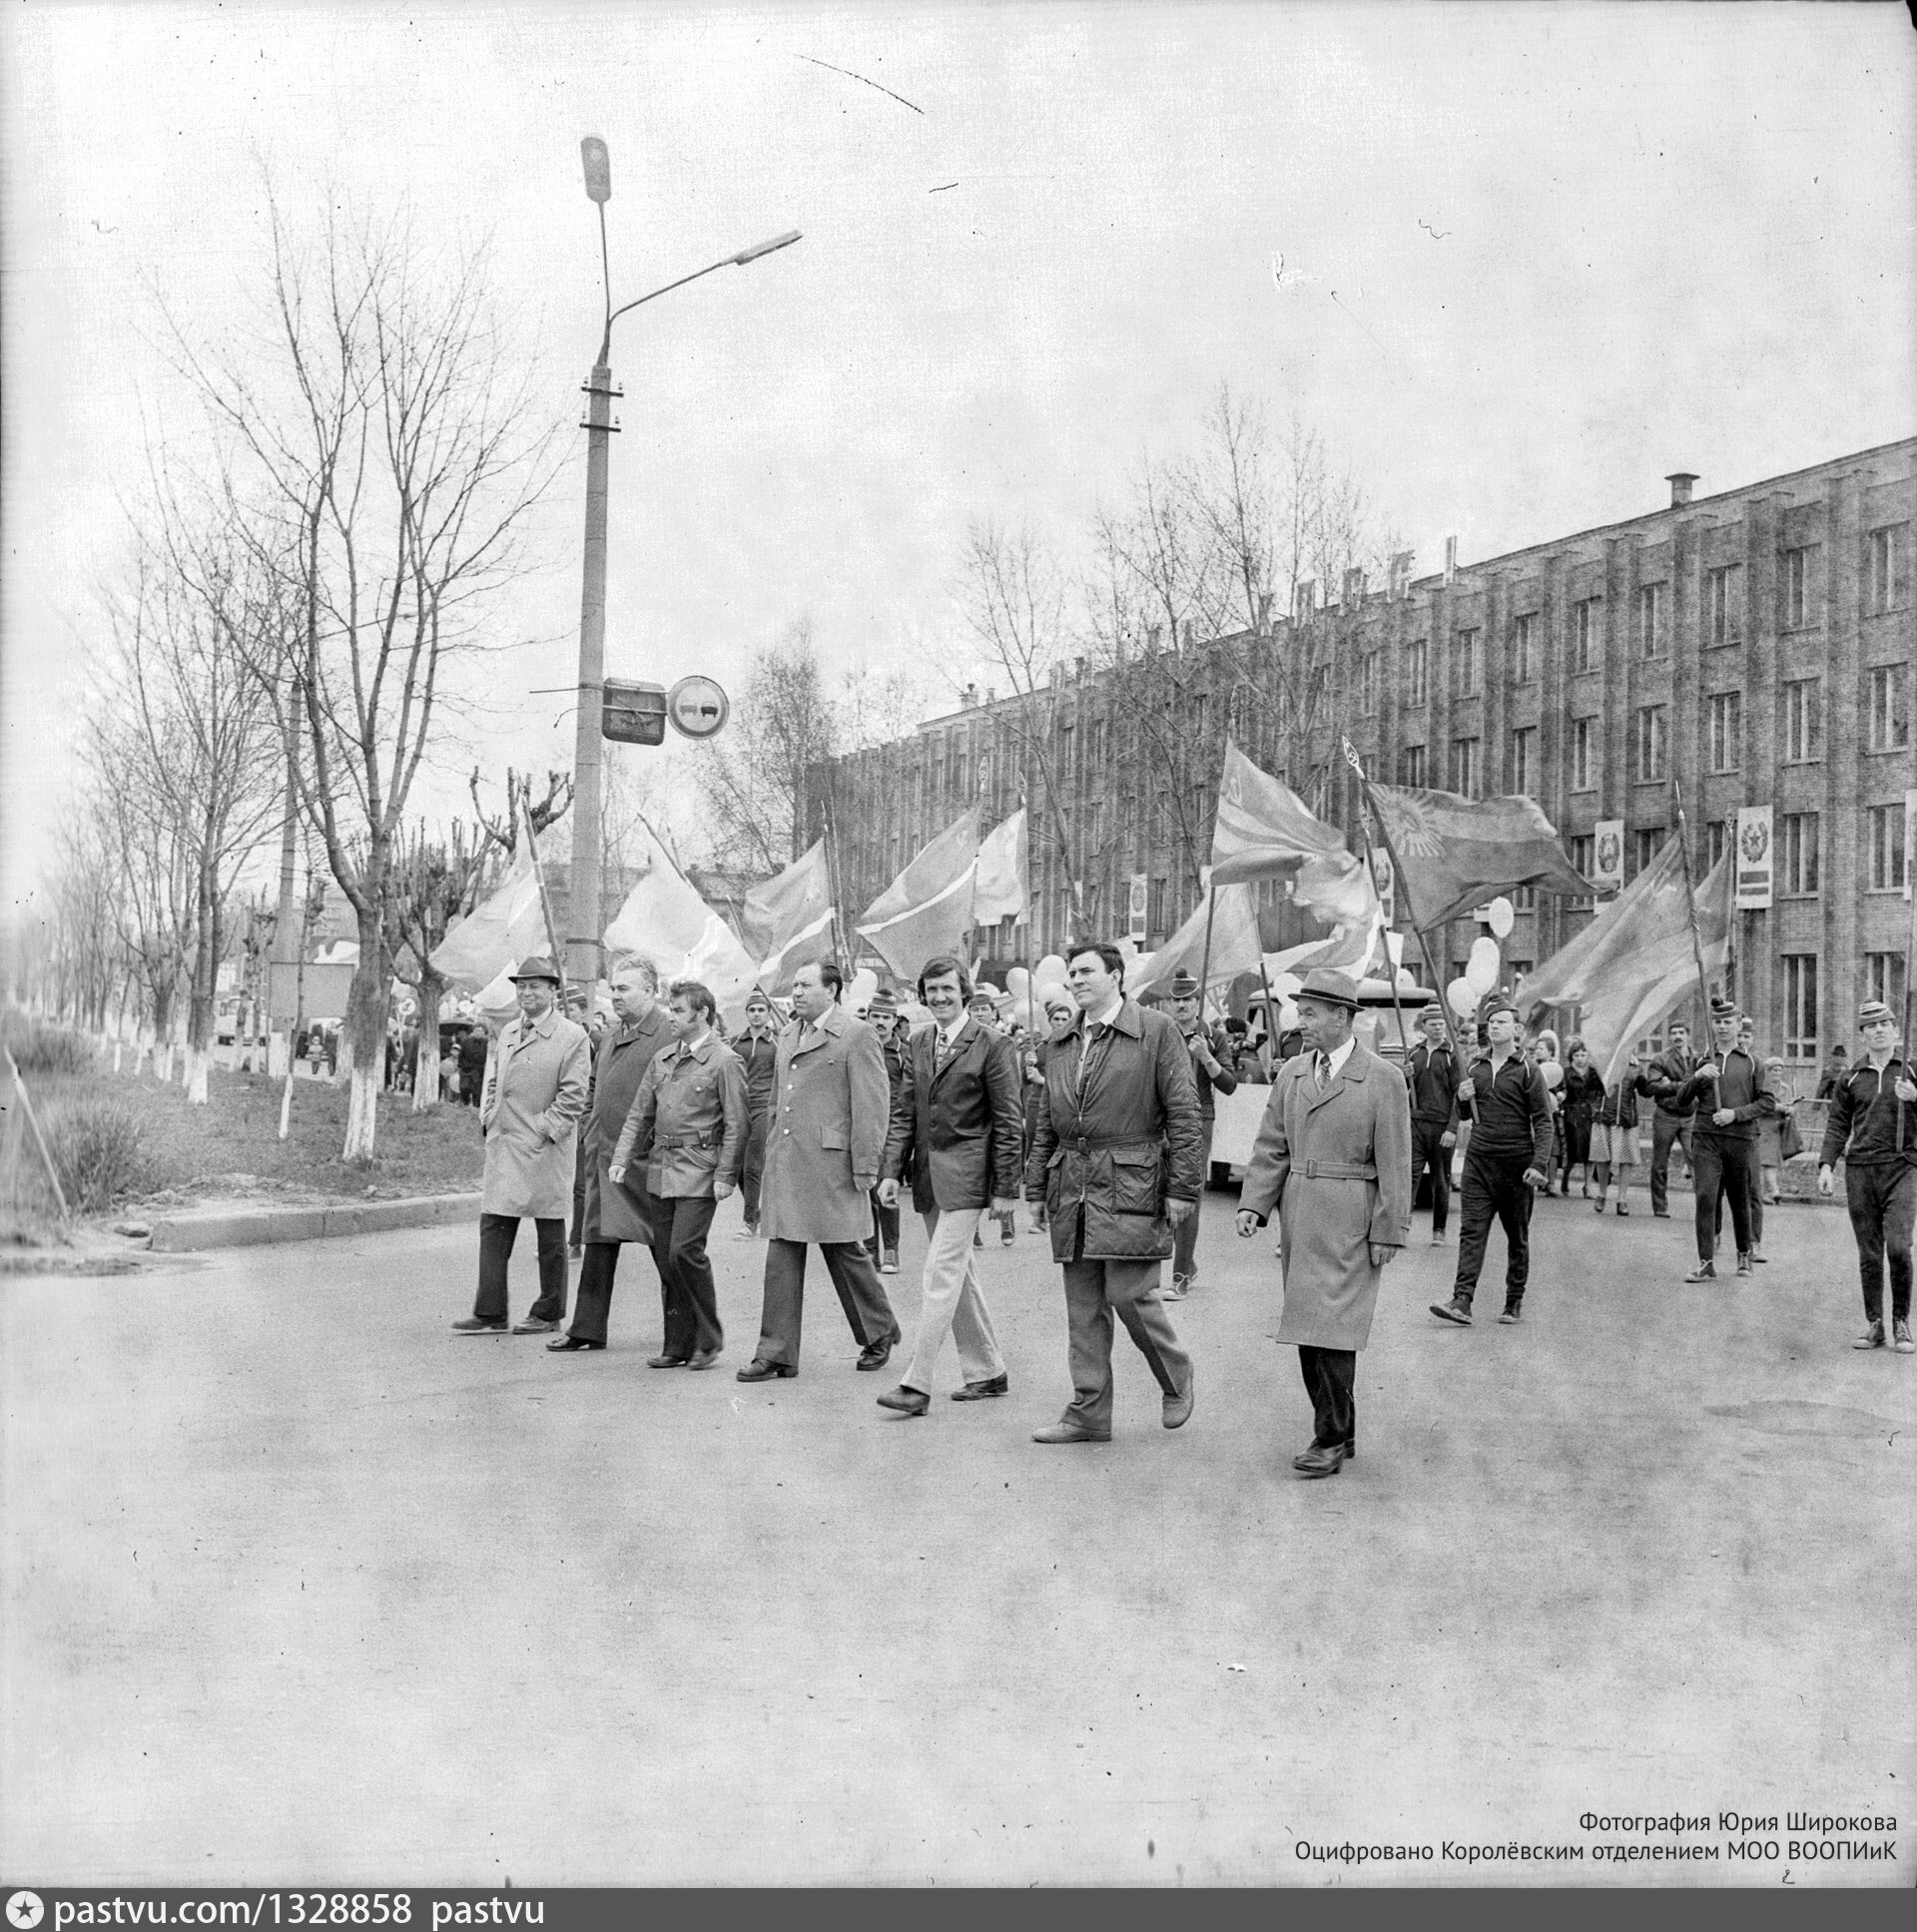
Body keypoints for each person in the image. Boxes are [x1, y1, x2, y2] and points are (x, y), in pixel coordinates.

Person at [1235, 966, 1412, 1477]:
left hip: (1351, 1217)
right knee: (1308, 1326)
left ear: (1342, 1017)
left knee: (1333, 1328)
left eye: (1310, 1012)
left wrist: (1389, 1229)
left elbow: (1396, 1161)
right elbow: (1272, 1143)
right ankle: (1341, 1429)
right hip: (1300, 1214)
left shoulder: (1383, 1078)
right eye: (1301, 1011)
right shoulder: (1292, 1073)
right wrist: (1254, 1204)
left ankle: (1329, 1437)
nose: (1300, 1020)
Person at [1023, 940, 1200, 1444]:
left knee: (1129, 1293)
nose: (1076, 980)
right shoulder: (1059, 1043)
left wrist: (1182, 1186)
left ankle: (1176, 1375)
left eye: (1086, 972)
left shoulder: (1156, 1031)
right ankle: (1088, 1413)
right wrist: (1036, 1188)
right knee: (1082, 1307)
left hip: (1133, 1180)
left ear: (1117, 976)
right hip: (1072, 1185)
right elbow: (1046, 1125)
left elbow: (1184, 1116)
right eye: (1071, 974)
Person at [737, 959, 902, 1381]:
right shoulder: (788, 1033)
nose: (796, 992)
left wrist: (866, 1168)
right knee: (782, 1255)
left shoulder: (857, 1034)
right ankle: (775, 1353)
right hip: (789, 1164)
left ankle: (878, 1332)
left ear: (832, 991)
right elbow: (777, 1103)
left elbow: (872, 1106)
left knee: (845, 1251)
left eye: (806, 985)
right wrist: (771, 1151)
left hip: (834, 1166)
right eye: (794, 985)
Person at [873, 955, 1022, 1415]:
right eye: (931, 990)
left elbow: (1009, 1121)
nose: (939, 997)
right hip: (928, 1179)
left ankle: (916, 1384)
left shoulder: (994, 1044)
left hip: (970, 1179)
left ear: (965, 992)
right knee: (960, 1276)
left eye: (947, 989)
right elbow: (904, 1113)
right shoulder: (918, 1042)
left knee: (940, 1273)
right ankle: (987, 1371)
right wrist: (890, 1172)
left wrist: (1004, 1188)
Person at [609, 978, 750, 1370]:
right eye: (670, 1010)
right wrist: (622, 1156)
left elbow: (738, 1124)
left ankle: (709, 1339)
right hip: (661, 1169)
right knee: (667, 1261)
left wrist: (725, 1174)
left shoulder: (724, 1060)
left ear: (702, 1013)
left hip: (700, 1169)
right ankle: (677, 1344)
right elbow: (640, 1113)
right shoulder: (664, 1058)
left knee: (684, 1252)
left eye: (678, 1011)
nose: (671, 1017)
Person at [451, 958, 591, 1336]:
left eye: (535, 986)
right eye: (522, 987)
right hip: (504, 1142)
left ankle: (549, 1312)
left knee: (549, 1230)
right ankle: (490, 1311)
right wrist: (489, 1116)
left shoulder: (572, 1036)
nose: (527, 993)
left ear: (552, 992)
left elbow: (575, 1095)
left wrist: (545, 1130)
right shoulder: (509, 1031)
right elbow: (495, 1080)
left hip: (543, 1147)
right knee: (493, 1224)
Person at [548, 955, 672, 1354]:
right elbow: (594, 1087)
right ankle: (586, 1328)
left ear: (650, 991)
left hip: (645, 1160)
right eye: (612, 988)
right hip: (604, 1156)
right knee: (599, 1239)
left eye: (623, 988)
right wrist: (589, 1127)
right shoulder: (612, 1036)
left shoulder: (669, 1034)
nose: (614, 996)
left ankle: (688, 1333)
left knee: (665, 1247)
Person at [1430, 997, 1553, 1327]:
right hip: (1479, 1163)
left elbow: (1543, 1120)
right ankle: (1462, 1300)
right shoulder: (1475, 1067)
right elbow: (1466, 1115)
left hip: (1516, 1166)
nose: (1494, 1026)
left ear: (1517, 1029)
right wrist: (1462, 1098)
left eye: (1501, 1021)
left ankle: (1514, 1300)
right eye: (1491, 1022)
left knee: (1517, 1236)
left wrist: (1539, 1164)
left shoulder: (1529, 1070)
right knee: (1472, 1232)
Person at [1817, 999, 1917, 1352]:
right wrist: (1827, 1165)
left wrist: (1916, 1097)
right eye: (1871, 1026)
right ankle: (1875, 1324)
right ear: (1862, 1035)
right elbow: (1837, 1126)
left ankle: (1901, 1322)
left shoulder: (1911, 1070)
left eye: (1884, 1024)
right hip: (1860, 1170)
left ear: (1896, 1030)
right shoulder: (1850, 1077)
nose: (1878, 1030)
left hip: (1903, 1167)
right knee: (1870, 1252)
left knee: (1900, 1247)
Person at [1676, 998, 1774, 1283]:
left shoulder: (1753, 1063)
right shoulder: (1703, 1060)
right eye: (1717, 1022)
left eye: (1727, 1022)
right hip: (1706, 1137)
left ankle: (1744, 1253)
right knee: (1705, 1197)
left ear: (1738, 1025)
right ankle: (1706, 1262)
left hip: (1740, 1138)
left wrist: (1735, 1114)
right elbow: (1682, 1098)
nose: (1721, 1027)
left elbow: (1767, 1102)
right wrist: (1697, 1076)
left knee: (1739, 1199)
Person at [1163, 968, 1237, 1299]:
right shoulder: (1161, 1032)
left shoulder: (1214, 1036)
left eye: (1187, 1000)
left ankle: (1180, 1275)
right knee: (1161, 1192)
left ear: (1198, 1003)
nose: (1180, 1006)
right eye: (1175, 1000)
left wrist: (1205, 1057)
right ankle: (1186, 1262)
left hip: (1197, 1118)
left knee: (1188, 1194)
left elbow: (1230, 1085)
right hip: (1161, 1119)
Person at [1402, 1004, 1460, 1247]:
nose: (1438, 1027)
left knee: (1440, 1180)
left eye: (1441, 1023)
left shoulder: (1452, 1055)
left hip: (1441, 1127)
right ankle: (1401, 1229)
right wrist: (1404, 1075)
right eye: (1433, 1024)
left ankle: (1439, 1230)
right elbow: (1404, 1090)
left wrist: (1452, 1129)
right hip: (1415, 1124)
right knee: (1410, 1178)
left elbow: (1459, 1094)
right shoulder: (1414, 1053)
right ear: (1423, 1026)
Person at [1634, 1020, 1698, 1218]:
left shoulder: (1697, 1058)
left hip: (1690, 1116)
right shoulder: (1660, 1059)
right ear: (1669, 1037)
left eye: (1681, 1032)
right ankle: (1660, 1206)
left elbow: (1703, 1083)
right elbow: (1652, 1087)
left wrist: (1672, 1084)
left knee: (1696, 1159)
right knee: (1660, 1163)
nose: (1677, 1036)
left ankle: (1704, 1207)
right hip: (1666, 1115)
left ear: (1688, 1034)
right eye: (1673, 1033)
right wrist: (1685, 1086)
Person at [734, 988, 781, 1241]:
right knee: (739, 1167)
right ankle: (757, 1212)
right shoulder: (735, 1042)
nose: (756, 1014)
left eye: (761, 1009)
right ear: (746, 1014)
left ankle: (749, 1222)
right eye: (752, 1010)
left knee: (753, 1164)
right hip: (740, 1107)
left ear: (768, 1013)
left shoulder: (776, 1043)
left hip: (764, 1106)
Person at [866, 988, 908, 1273]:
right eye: (876, 1016)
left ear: (895, 1021)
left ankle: (891, 1250)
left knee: (886, 1189)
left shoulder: (904, 1052)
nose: (880, 1022)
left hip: (892, 1128)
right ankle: (870, 1252)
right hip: (864, 1126)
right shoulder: (858, 1045)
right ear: (868, 1017)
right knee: (865, 1189)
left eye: (886, 1017)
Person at [1591, 1054, 1641, 1215]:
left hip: (1626, 1118)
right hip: (1604, 1115)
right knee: (1602, 1157)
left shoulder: (1635, 1067)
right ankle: (1602, 1194)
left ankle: (1622, 1199)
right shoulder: (1603, 1063)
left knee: (1626, 1159)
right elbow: (1590, 1086)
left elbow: (1646, 1089)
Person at [1558, 1040, 1605, 1197]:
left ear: (1588, 1056)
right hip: (1572, 1115)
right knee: (1573, 1150)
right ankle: (1565, 1177)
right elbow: (1560, 1090)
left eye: (1583, 1055)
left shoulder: (1594, 1073)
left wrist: (1597, 1107)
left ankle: (1588, 1186)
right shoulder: (1566, 1073)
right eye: (1576, 1055)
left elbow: (1601, 1091)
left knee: (1590, 1152)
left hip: (1591, 1115)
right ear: (1571, 1056)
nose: (1580, 1058)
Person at [1757, 1055, 1796, 1207]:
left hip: (1778, 1128)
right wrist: (1776, 1107)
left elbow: (1791, 1104)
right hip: (1762, 1126)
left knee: (1771, 1161)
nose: (1777, 1074)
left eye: (1780, 1071)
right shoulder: (1761, 1087)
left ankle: (1768, 1193)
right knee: (1767, 1161)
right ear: (1767, 1071)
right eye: (1774, 1071)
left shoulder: (1785, 1088)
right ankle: (1773, 1190)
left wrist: (1791, 1110)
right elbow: (1757, 1105)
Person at [456, 1020, 489, 1107]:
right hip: (466, 1069)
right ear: (473, 1031)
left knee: (477, 1090)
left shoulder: (487, 1043)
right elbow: (461, 1055)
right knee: (464, 1087)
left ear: (484, 1032)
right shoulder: (466, 1041)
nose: (478, 1033)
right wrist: (461, 1066)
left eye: (480, 1031)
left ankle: (476, 1106)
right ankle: (464, 1103)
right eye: (476, 1030)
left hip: (479, 1070)